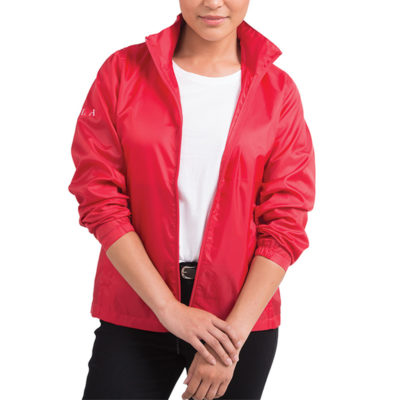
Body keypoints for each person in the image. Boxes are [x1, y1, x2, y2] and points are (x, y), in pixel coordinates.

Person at [68, 2, 316, 399]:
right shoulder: (122, 72)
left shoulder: (278, 91)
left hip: (238, 318)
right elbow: (99, 197)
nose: (213, 2)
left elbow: (285, 220)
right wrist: (169, 310)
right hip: (137, 306)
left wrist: (229, 341)